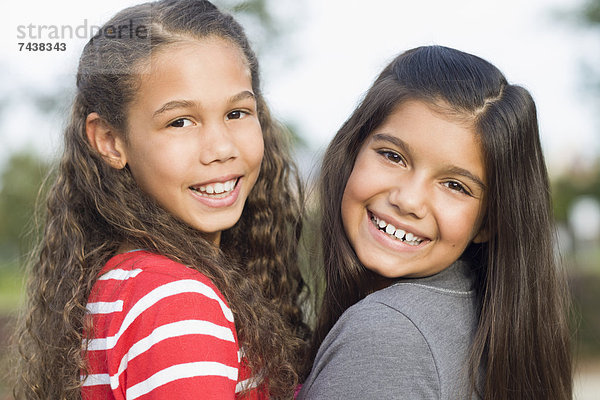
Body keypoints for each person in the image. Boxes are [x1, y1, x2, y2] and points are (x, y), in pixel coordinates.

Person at [14, 1, 309, 399]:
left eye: (237, 113)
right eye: (180, 122)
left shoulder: (132, 283)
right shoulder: (174, 300)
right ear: (110, 141)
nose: (220, 148)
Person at [298, 46, 572, 399]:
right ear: (352, 151)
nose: (408, 200)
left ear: (489, 222)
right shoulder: (476, 317)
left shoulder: (387, 334)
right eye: (392, 156)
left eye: (455, 186)